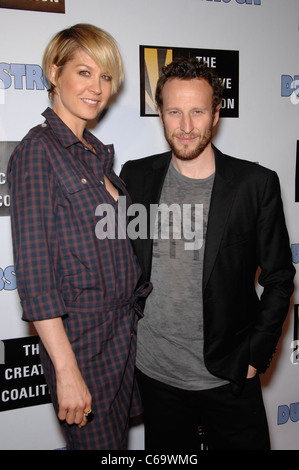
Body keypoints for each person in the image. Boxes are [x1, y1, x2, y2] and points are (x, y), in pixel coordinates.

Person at [120, 57, 295, 450]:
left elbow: (280, 278)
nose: (185, 127)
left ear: (216, 113)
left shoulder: (255, 184)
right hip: (155, 375)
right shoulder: (135, 175)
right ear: (160, 113)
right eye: (174, 112)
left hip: (229, 376)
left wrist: (255, 357)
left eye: (197, 112)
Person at [8, 24, 151, 450]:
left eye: (106, 76)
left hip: (123, 336)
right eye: (84, 72)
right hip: (83, 344)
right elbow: (35, 276)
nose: (98, 87)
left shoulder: (96, 154)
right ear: (55, 72)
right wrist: (66, 370)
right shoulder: (38, 152)